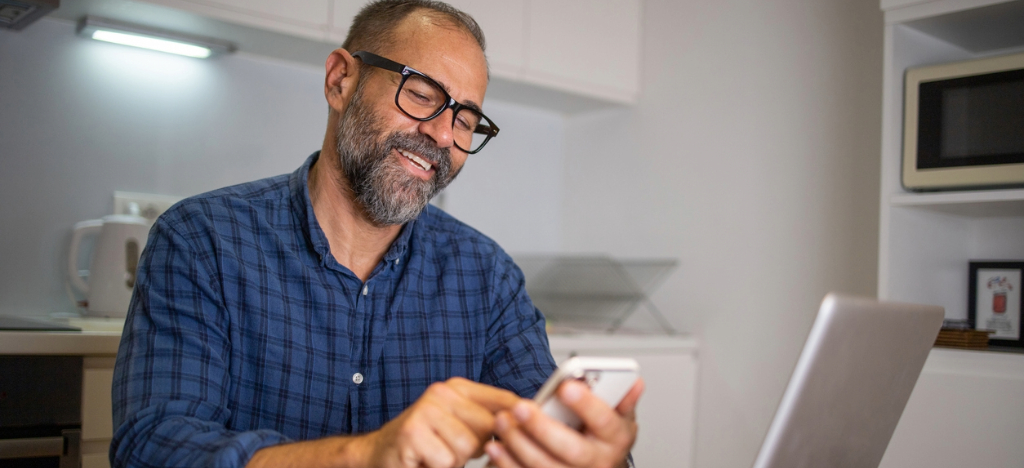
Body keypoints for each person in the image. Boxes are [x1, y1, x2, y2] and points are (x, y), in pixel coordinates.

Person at [110, 1, 643, 467]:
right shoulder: (202, 240)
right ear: (341, 80)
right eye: (421, 93)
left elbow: (551, 426)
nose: (441, 134)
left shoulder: (486, 276)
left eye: (465, 119)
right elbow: (153, 447)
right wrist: (364, 456)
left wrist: (598, 453)